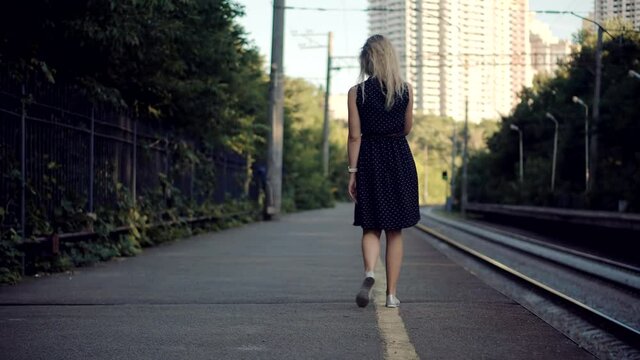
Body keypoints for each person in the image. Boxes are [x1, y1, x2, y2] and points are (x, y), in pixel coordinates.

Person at [347, 34, 420, 308]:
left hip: (369, 159)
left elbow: (354, 136)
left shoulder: (357, 93)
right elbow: (406, 128)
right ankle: (391, 295)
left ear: (367, 61)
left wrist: (352, 172)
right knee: (395, 230)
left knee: (370, 226)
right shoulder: (406, 90)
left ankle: (369, 273)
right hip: (398, 158)